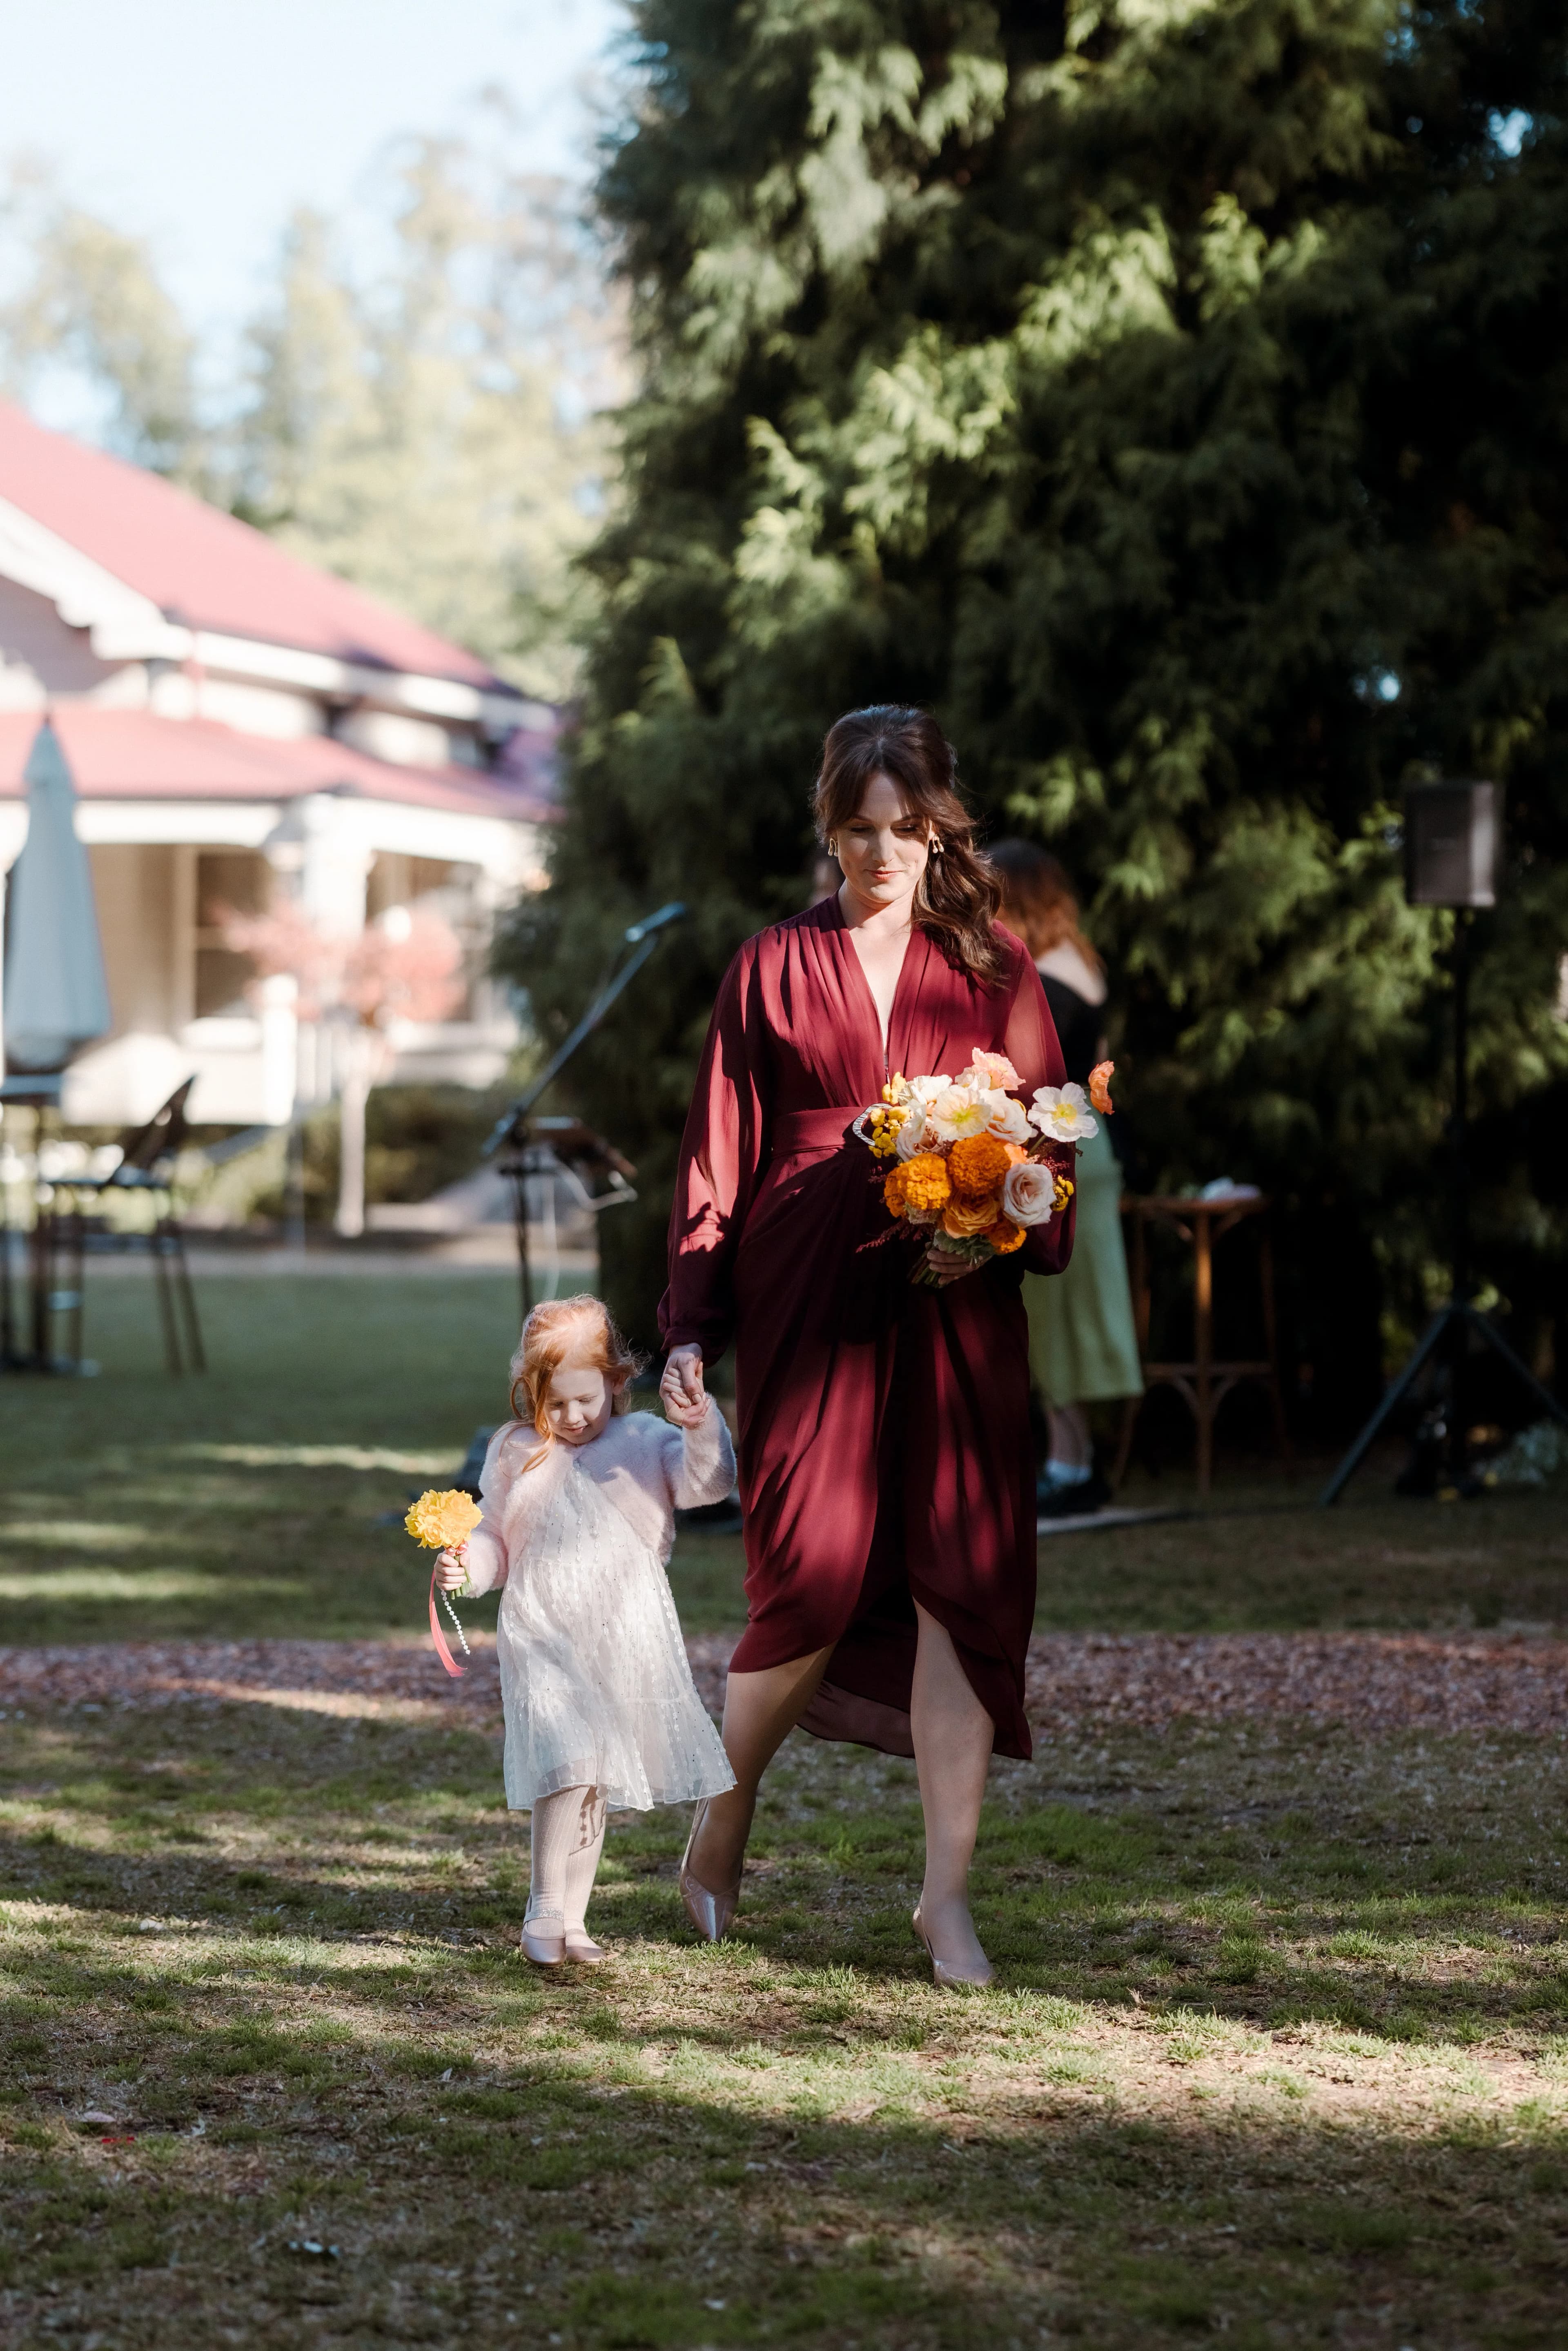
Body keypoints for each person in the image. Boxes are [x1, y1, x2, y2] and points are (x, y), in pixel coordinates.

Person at [658, 706, 1075, 1989]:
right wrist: (690, 1320)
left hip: (957, 1308)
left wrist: (995, 1231)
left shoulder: (999, 964)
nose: (882, 851)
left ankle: (945, 1898)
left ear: (942, 826)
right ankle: (719, 1828)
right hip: (807, 1293)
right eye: (859, 827)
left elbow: (1050, 1145)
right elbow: (717, 1149)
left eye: (908, 828)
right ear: (828, 823)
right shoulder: (769, 965)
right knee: (814, 1577)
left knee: (960, 1576)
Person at [433, 1294, 735, 1967]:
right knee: (566, 1759)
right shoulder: (517, 1452)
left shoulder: (645, 1443)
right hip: (541, 1626)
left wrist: (700, 1425)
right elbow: (495, 1536)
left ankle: (572, 1918)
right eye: (556, 1403)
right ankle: (543, 1907)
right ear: (533, 1393)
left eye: (586, 1399)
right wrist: (470, 1567)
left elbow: (710, 1485)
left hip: (620, 1634)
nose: (572, 1417)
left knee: (592, 1777)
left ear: (616, 1381)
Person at [989, 842, 1143, 1517]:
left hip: (1061, 1143)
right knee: (1065, 1310)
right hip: (1085, 1139)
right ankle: (1069, 1457)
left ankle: (1072, 1463)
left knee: (1062, 1311)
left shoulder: (1046, 977)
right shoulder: (1079, 966)